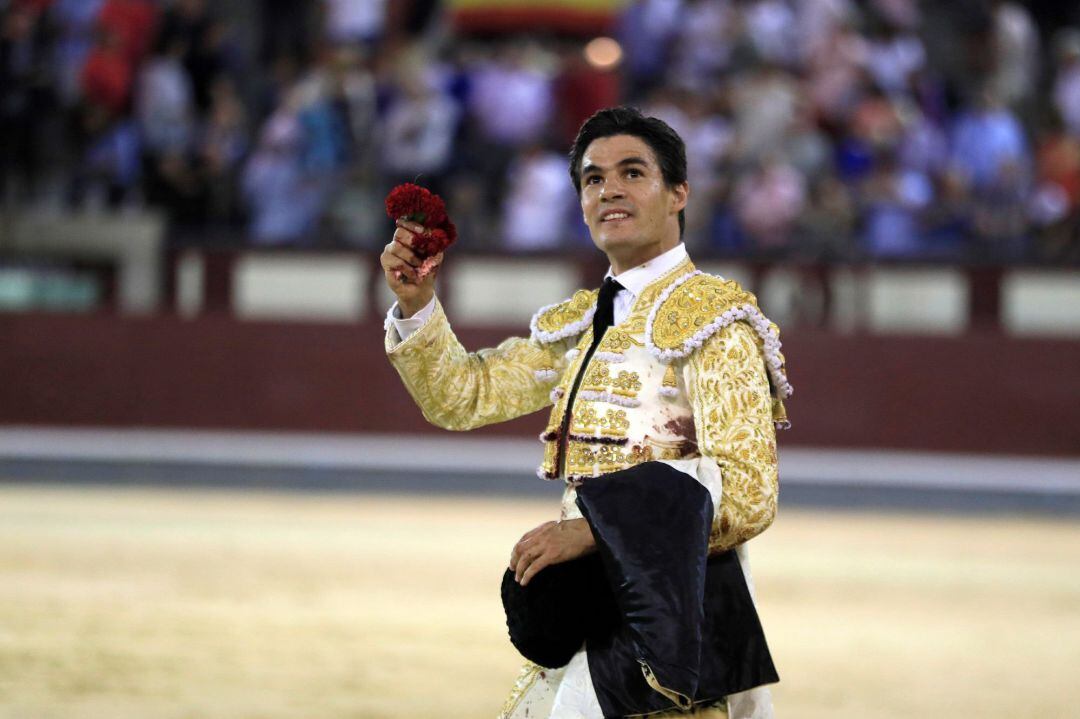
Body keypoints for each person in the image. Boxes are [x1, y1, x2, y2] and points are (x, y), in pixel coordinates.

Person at [381, 107, 792, 718]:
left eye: (633, 172)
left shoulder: (715, 323)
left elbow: (749, 493)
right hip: (595, 601)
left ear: (679, 193)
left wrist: (594, 531)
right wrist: (418, 306)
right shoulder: (582, 323)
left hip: (677, 608)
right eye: (594, 178)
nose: (610, 190)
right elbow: (462, 396)